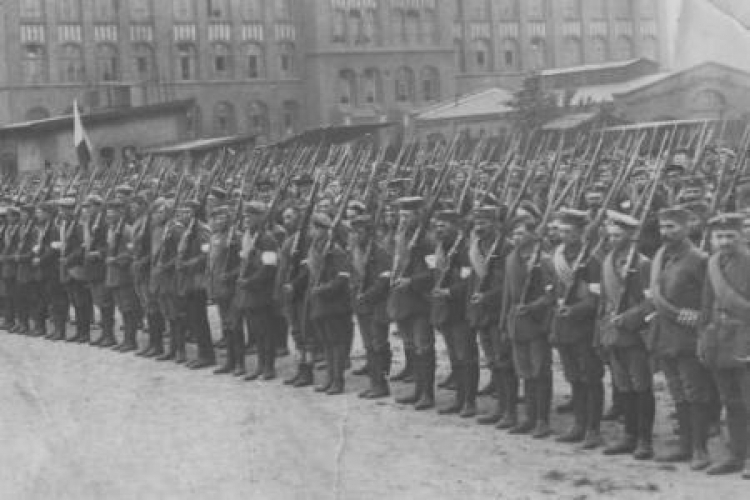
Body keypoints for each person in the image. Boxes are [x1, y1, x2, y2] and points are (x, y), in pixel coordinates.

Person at [649, 207, 712, 471]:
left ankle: (700, 449)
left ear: (687, 228)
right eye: (663, 227)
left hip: (688, 338)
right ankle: (685, 444)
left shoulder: (699, 259)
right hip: (665, 335)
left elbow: (711, 298)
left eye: (672, 227)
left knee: (695, 393)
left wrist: (698, 319)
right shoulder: (662, 256)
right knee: (677, 393)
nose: (666, 232)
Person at [598, 211, 655, 460]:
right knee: (624, 387)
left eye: (618, 235)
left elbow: (651, 302)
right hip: (613, 333)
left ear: (631, 236)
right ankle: (628, 435)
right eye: (610, 235)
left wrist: (629, 319)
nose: (612, 240)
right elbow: (603, 300)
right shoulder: (607, 261)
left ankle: (644, 440)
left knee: (641, 387)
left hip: (635, 336)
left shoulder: (642, 264)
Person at [698, 213, 750, 476]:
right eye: (720, 236)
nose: (725, 241)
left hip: (746, 338)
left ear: (741, 236)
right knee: (730, 401)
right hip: (719, 340)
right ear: (712, 239)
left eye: (731, 235)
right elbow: (706, 305)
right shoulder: (712, 263)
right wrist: (703, 337)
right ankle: (736, 455)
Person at [550, 209, 605, 449]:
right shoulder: (558, 256)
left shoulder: (591, 261)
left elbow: (596, 299)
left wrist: (574, 311)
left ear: (582, 232)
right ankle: (578, 424)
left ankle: (593, 429)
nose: (564, 236)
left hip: (584, 328)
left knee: (591, 378)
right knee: (574, 378)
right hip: (563, 327)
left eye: (569, 231)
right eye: (560, 231)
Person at [500, 215, 554, 439]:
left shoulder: (544, 260)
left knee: (540, 371)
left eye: (520, 233)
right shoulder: (511, 258)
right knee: (525, 372)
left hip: (537, 324)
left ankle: (542, 420)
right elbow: (507, 295)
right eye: (514, 234)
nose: (516, 238)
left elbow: (552, 295)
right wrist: (504, 322)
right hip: (517, 323)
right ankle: (529, 417)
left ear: (533, 235)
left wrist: (532, 308)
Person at [471, 205, 518, 429]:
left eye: (485, 223)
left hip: (499, 312)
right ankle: (500, 407)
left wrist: (487, 297)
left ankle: (510, 411)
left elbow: (507, 285)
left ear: (496, 224)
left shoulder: (505, 248)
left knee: (504, 362)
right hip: (482, 313)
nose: (480, 227)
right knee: (493, 362)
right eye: (477, 223)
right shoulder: (477, 246)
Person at [389, 197, 436, 410]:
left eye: (408, 216)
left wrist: (412, 281)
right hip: (402, 299)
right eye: (401, 216)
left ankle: (427, 393)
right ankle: (418, 390)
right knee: (411, 346)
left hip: (420, 301)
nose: (403, 220)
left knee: (423, 347)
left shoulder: (427, 241)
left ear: (418, 216)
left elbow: (435, 272)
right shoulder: (401, 238)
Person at [430, 209, 475, 417]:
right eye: (438, 226)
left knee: (465, 357)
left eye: (444, 226)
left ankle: (469, 402)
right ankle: (459, 399)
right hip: (445, 309)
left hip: (460, 310)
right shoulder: (441, 247)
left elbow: (468, 280)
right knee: (455, 357)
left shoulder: (465, 249)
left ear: (456, 227)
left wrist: (450, 291)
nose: (440, 230)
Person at [234, 201, 280, 381]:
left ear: (261, 218)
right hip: (250, 291)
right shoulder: (248, 237)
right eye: (245, 216)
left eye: (251, 216)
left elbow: (269, 267)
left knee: (266, 330)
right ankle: (261, 365)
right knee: (256, 331)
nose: (246, 219)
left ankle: (269, 367)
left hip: (262, 291)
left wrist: (250, 282)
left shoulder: (267, 239)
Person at [349, 214, 392, 399]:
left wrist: (366, 296)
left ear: (369, 232)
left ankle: (381, 385)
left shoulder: (380, 252)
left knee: (377, 345)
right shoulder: (357, 251)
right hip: (363, 306)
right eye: (354, 231)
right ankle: (375, 383)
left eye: (360, 231)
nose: (357, 235)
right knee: (369, 346)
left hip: (377, 305)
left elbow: (384, 281)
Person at [175, 199, 215, 369]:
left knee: (199, 319)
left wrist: (188, 264)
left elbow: (206, 255)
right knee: (193, 318)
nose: (183, 215)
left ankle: (206, 355)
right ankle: (202, 353)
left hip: (198, 280)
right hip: (188, 280)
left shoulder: (202, 230)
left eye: (187, 212)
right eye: (181, 212)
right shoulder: (187, 230)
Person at [104, 200, 140, 353]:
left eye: (113, 214)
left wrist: (116, 260)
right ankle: (126, 340)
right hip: (114, 275)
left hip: (124, 275)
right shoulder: (112, 230)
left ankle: (131, 341)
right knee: (123, 308)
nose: (110, 216)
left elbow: (132, 253)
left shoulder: (127, 231)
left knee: (129, 309)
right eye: (108, 214)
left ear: (120, 214)